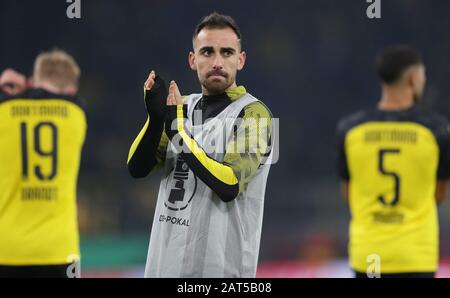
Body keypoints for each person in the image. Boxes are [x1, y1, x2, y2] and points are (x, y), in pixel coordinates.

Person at [127, 12, 275, 277]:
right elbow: (137, 168)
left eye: (227, 52)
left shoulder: (255, 114)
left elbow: (229, 184)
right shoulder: (181, 107)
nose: (217, 61)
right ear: (193, 60)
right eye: (207, 52)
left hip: (219, 272)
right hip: (163, 267)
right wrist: (155, 119)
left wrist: (178, 134)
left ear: (241, 60)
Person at [336, 45, 449, 278]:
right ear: (413, 78)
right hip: (416, 256)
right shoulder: (437, 131)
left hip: (367, 255)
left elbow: (348, 194)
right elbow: (439, 194)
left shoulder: (350, 130)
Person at [0, 50, 87, 278]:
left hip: (7, 250)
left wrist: (12, 91)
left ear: (33, 81)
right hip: (59, 251)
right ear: (71, 89)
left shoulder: (3, 112)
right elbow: (65, 100)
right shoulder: (76, 114)